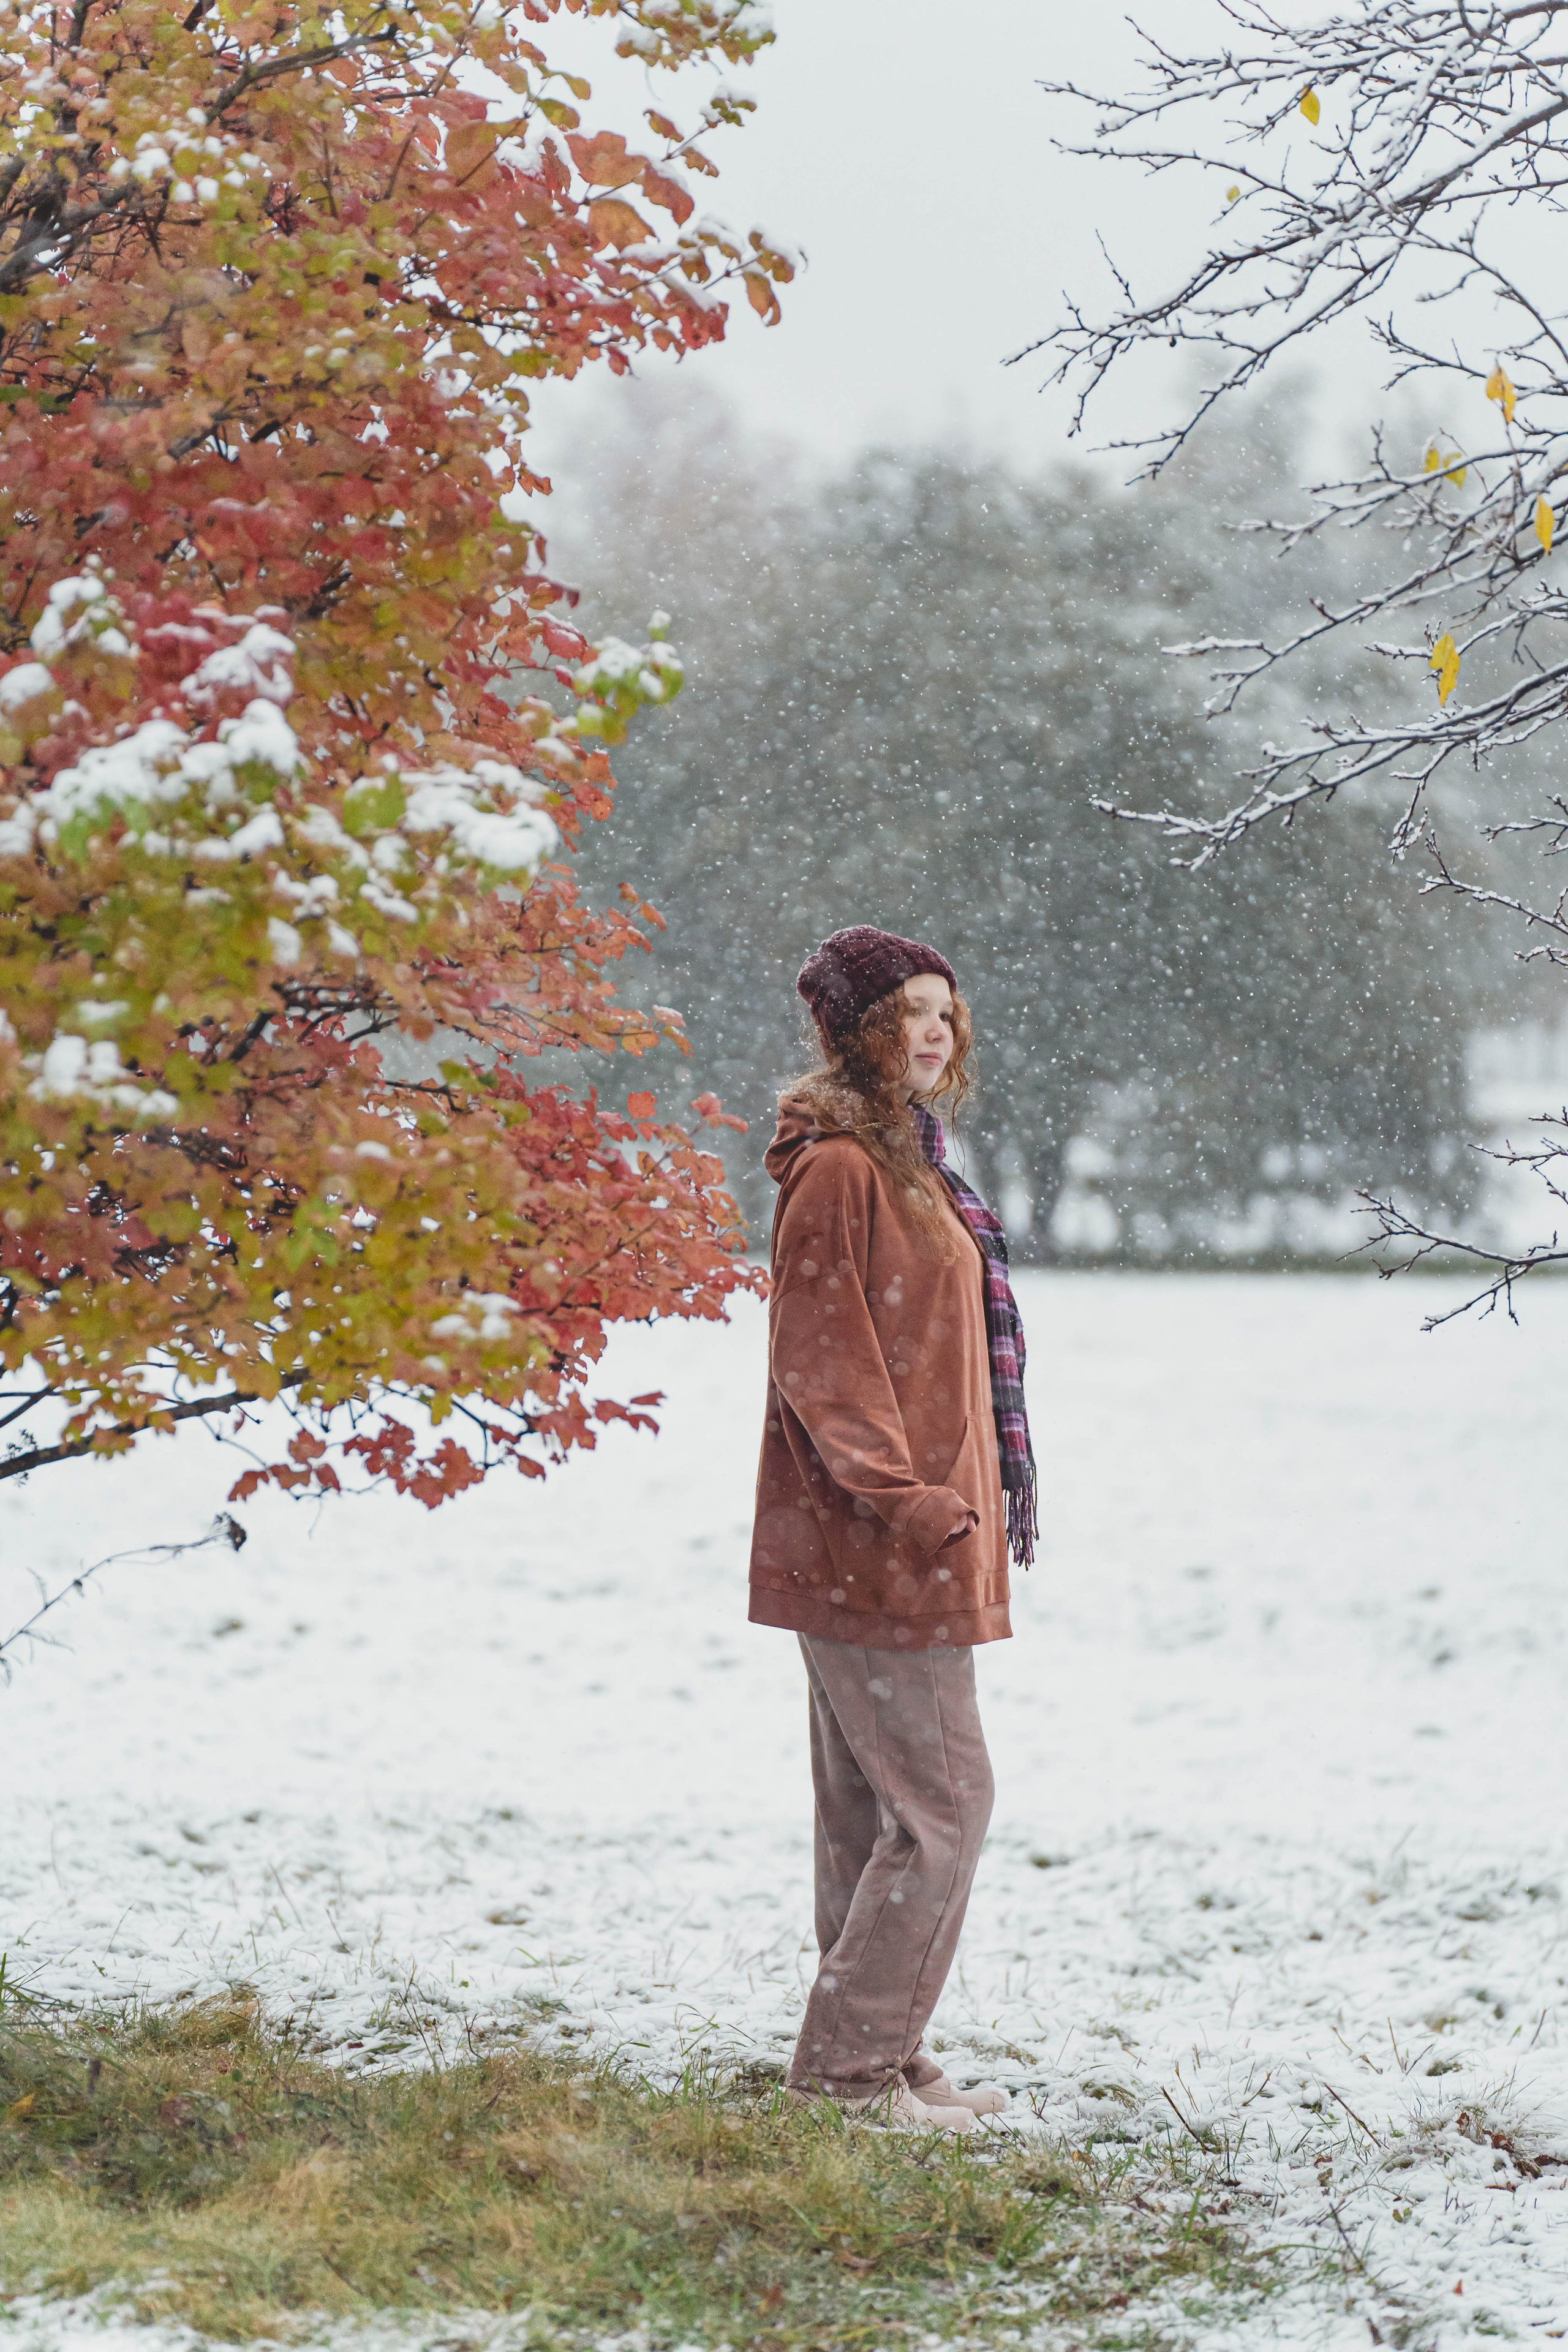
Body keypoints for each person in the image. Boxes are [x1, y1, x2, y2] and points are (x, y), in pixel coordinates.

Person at [750, 924, 1038, 2133]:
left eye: (941, 1010)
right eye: (905, 1010)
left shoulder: (914, 1165)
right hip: (875, 1539)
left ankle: (880, 2057)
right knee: (941, 1809)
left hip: (906, 1538)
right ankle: (850, 2077)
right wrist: (908, 1498)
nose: (930, 1030)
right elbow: (823, 1360)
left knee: (875, 1818)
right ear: (851, 1030)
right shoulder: (840, 1169)